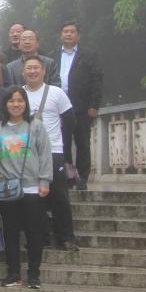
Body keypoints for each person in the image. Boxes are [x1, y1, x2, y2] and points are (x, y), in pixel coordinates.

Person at [0, 87, 52, 289]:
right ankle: (14, 274)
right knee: (10, 233)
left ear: (25, 103)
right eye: (11, 101)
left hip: (32, 188)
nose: (15, 104)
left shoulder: (35, 126)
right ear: (5, 104)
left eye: (19, 100)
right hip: (7, 189)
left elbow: (45, 154)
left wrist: (45, 181)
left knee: (34, 233)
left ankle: (34, 274)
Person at [22, 55, 79, 251]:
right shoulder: (18, 94)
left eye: (36, 68)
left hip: (53, 150)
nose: (32, 71)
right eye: (28, 68)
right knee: (33, 197)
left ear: (44, 70)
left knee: (59, 195)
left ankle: (66, 237)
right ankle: (40, 236)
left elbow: (70, 120)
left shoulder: (56, 93)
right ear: (23, 72)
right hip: (27, 153)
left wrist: (63, 146)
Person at [49, 22, 103, 190]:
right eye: (65, 31)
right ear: (60, 35)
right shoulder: (52, 56)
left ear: (78, 36)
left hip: (81, 106)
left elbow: (97, 80)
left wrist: (94, 105)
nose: (68, 34)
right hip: (58, 107)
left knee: (83, 142)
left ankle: (82, 177)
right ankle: (67, 176)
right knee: (62, 143)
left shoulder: (88, 55)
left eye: (72, 32)